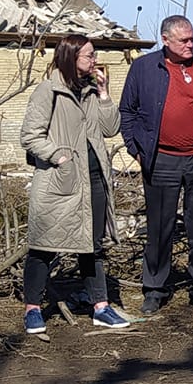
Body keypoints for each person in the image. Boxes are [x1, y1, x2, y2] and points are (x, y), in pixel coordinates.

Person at [119, 16, 193, 313]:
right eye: (183, 40)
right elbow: (127, 111)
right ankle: (155, 289)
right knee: (160, 226)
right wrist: (136, 149)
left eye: (192, 39)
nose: (190, 45)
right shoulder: (144, 69)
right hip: (160, 159)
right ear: (165, 40)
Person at [19, 35, 128, 336]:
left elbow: (110, 128)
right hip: (59, 181)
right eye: (89, 55)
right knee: (43, 246)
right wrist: (58, 156)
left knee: (91, 247)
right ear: (71, 57)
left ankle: (101, 307)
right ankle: (32, 310)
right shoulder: (49, 90)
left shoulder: (92, 91)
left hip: (93, 179)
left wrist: (105, 93)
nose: (94, 61)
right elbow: (30, 135)